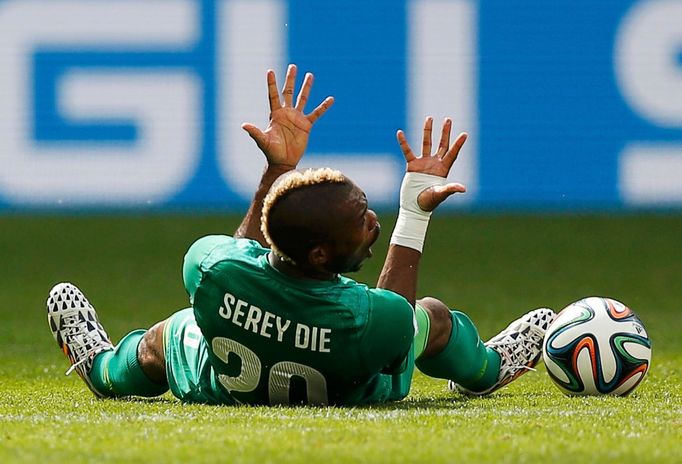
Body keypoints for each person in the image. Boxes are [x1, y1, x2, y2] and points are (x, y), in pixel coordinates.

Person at [47, 64, 556, 406]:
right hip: (349, 387)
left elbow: (239, 253)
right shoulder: (362, 318)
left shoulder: (208, 265)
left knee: (172, 332)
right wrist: (413, 213)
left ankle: (105, 370)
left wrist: (277, 170)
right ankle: (488, 369)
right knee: (435, 318)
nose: (372, 220)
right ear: (319, 254)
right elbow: (397, 330)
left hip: (225, 386)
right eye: (360, 219)